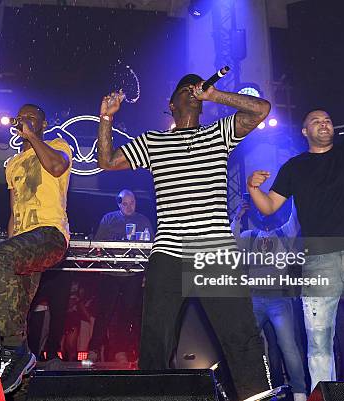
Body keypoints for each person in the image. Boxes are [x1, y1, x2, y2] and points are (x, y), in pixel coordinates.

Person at [96, 73, 271, 399]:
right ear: (171, 104)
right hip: (169, 253)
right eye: (185, 90)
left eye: (196, 89)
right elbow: (106, 161)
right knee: (156, 340)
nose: (192, 92)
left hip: (214, 251)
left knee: (242, 337)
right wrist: (106, 117)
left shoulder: (218, 134)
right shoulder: (153, 142)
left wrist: (215, 94)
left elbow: (261, 110)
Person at [247, 45, 344, 388]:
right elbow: (269, 208)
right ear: (305, 132)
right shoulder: (295, 167)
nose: (324, 123)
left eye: (328, 119)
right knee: (318, 346)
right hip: (317, 262)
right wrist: (252, 188)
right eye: (316, 121)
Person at [0, 104, 72, 393]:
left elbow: (57, 167)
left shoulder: (58, 146)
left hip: (50, 234)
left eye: (31, 118)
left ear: (43, 124)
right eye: (21, 117)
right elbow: (13, 212)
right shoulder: (12, 165)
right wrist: (10, 244)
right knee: (16, 309)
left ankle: (14, 351)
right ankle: (20, 369)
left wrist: (33, 137)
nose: (24, 121)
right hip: (23, 242)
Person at [231, 200, 307, 401]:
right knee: (244, 344)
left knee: (288, 346)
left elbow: (295, 219)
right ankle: (246, 390)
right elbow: (231, 238)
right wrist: (238, 216)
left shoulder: (283, 234)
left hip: (278, 300)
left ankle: (300, 392)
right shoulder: (251, 236)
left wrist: (297, 193)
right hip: (255, 299)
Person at [87, 190, 152, 363]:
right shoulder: (109, 219)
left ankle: (120, 351)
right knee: (104, 312)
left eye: (132, 203)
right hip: (110, 272)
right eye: (125, 203)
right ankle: (94, 349)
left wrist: (146, 272)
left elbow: (151, 248)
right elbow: (98, 244)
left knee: (127, 314)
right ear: (119, 204)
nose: (129, 206)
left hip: (134, 273)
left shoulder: (143, 220)